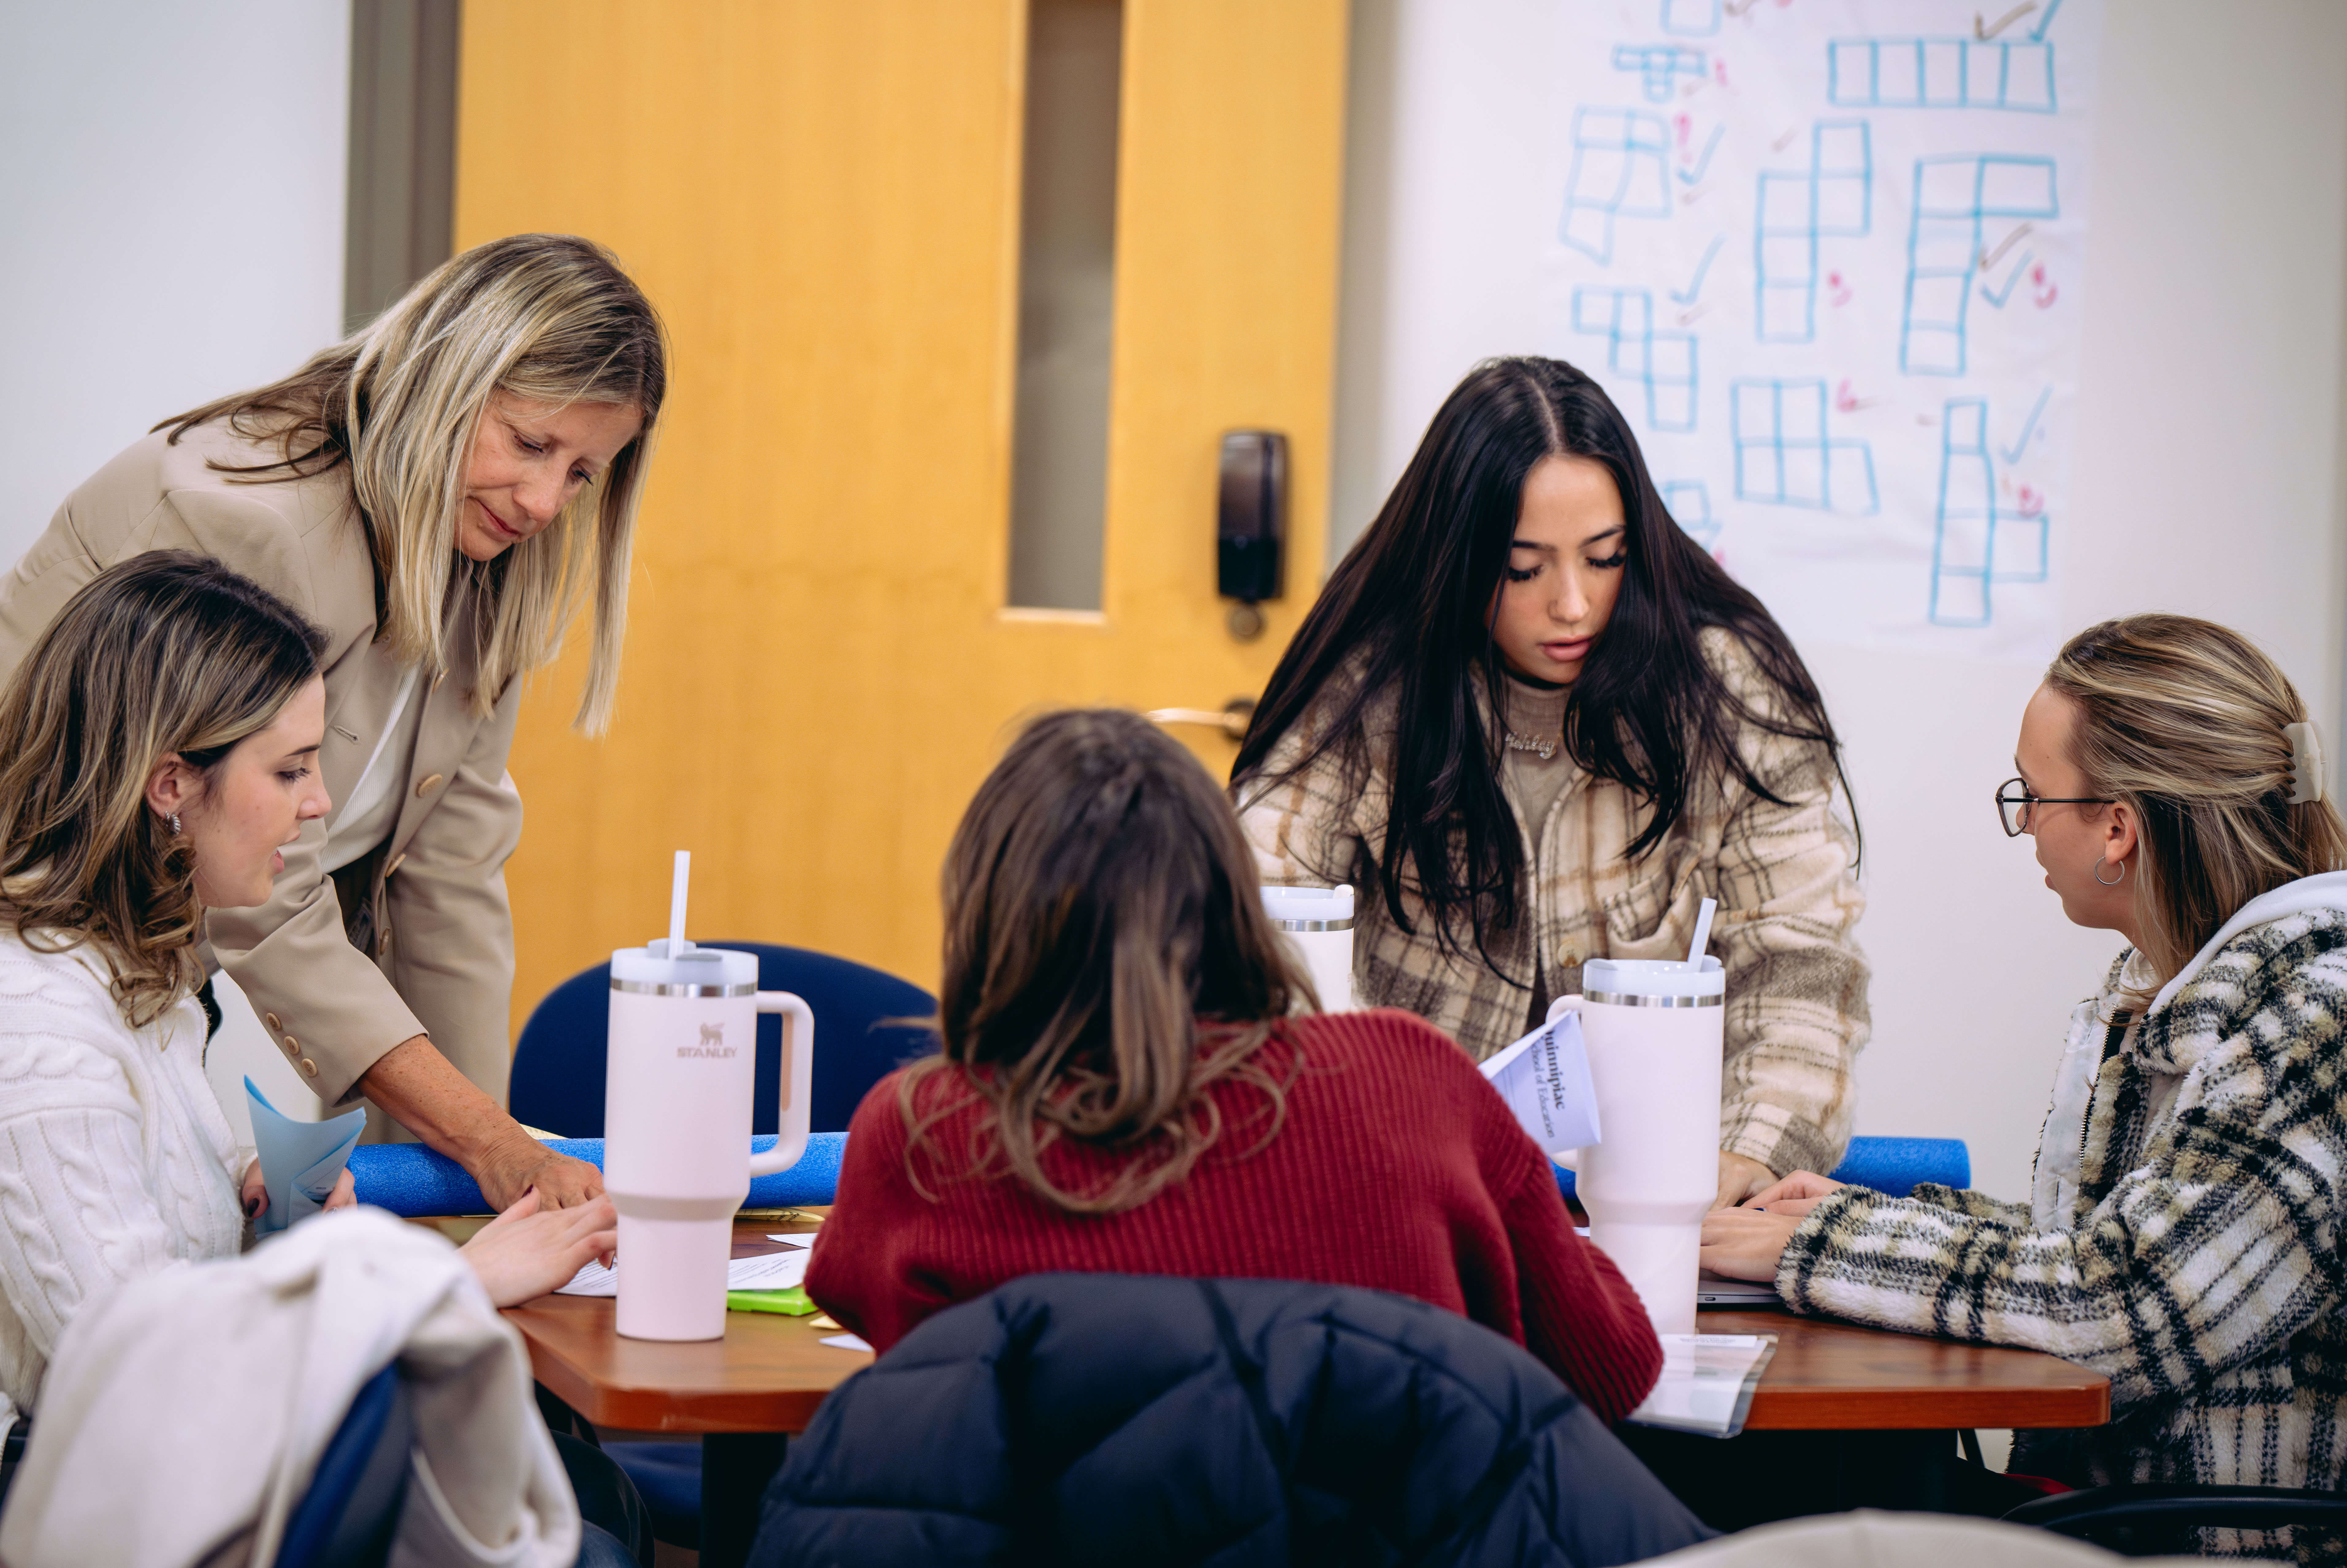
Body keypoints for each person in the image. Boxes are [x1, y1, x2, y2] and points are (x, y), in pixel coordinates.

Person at [0, 233, 665, 1211]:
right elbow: (258, 887)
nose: (543, 501)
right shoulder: (250, 521)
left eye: (582, 474)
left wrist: (487, 1191)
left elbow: (450, 883)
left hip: (143, 996)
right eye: (529, 444)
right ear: (449, 379)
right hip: (43, 991)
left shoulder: (483, 564)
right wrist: (482, 1140)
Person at [0, 552, 643, 1561]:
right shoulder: (38, 1026)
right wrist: (455, 1287)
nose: (318, 805)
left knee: (590, 1496)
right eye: (291, 769)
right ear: (172, 786)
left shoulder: (139, 976)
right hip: (136, 1514)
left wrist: (268, 1209)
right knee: (581, 1532)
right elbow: (146, 1388)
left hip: (202, 1475)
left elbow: (172, 1275)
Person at [805, 708, 1665, 1422]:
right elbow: (1615, 1368)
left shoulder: (923, 1133)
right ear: (1233, 901)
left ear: (987, 920)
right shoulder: (1411, 1078)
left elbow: (899, 1369)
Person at [1704, 615, 2347, 1538]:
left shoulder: (2314, 1017)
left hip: (2202, 1541)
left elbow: (2122, 1307)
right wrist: (1857, 1218)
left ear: (2117, 828)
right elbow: (2096, 1243)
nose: (2026, 828)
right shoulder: (2187, 991)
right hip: (2115, 1509)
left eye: (2033, 797)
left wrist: (1824, 1247)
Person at [1232, 356, 1869, 1208]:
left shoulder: (1727, 691)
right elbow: (1260, 937)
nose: (1572, 604)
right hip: (1400, 1186)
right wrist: (1374, 1139)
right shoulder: (1365, 692)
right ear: (1455, 560)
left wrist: (1747, 1155)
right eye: (1525, 570)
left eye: (1604, 559)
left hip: (1655, 1198)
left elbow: (1802, 963)